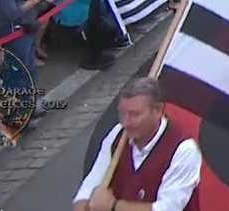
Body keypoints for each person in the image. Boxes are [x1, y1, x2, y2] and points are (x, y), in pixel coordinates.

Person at [73, 77, 203, 211]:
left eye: (134, 114)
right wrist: (82, 204)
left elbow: (167, 208)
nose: (126, 122)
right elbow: (92, 181)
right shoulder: (117, 134)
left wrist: (114, 206)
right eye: (122, 113)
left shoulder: (184, 149)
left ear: (158, 110)